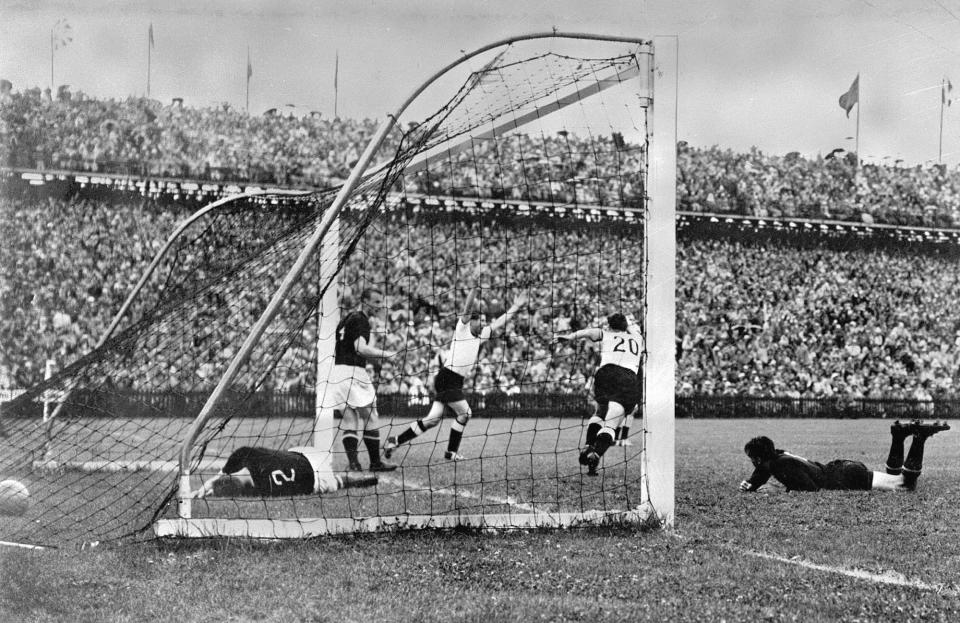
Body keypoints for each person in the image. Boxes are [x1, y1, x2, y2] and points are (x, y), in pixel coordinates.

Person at [384, 284, 527, 461]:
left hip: (453, 380)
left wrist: (516, 306)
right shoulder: (462, 329)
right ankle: (450, 452)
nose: (482, 323)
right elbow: (467, 309)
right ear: (472, 321)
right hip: (447, 378)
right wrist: (474, 288)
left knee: (432, 419)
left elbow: (499, 322)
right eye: (479, 320)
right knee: (465, 413)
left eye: (483, 320)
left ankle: (395, 441)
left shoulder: (481, 336)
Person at [739, 420, 950, 493]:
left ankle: (919, 438)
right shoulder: (778, 456)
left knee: (905, 486)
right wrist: (751, 484)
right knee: (894, 478)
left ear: (758, 458)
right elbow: (762, 470)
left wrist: (780, 491)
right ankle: (898, 435)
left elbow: (810, 488)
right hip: (841, 468)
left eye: (752, 458)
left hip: (843, 477)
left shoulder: (779, 465)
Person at [557, 312, 643, 475]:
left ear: (610, 326)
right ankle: (596, 454)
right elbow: (634, 329)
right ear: (627, 326)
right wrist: (631, 324)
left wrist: (569, 337)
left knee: (601, 412)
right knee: (612, 422)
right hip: (628, 378)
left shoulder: (607, 334)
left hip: (606, 373)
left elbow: (588, 332)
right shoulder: (638, 338)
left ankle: (589, 444)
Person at [329, 287, 397, 472]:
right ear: (365, 301)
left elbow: (351, 347)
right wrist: (387, 355)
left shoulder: (347, 319)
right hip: (353, 373)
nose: (379, 305)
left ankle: (354, 464)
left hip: (338, 372)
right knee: (371, 417)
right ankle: (375, 463)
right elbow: (360, 348)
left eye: (380, 301)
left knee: (350, 418)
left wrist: (375, 361)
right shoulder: (361, 319)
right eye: (376, 301)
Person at [194, 445, 378, 498]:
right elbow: (236, 458)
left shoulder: (261, 491)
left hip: (318, 484)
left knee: (334, 483)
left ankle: (343, 481)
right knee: (289, 452)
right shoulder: (249, 456)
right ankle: (344, 480)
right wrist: (210, 483)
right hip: (312, 456)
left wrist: (214, 489)